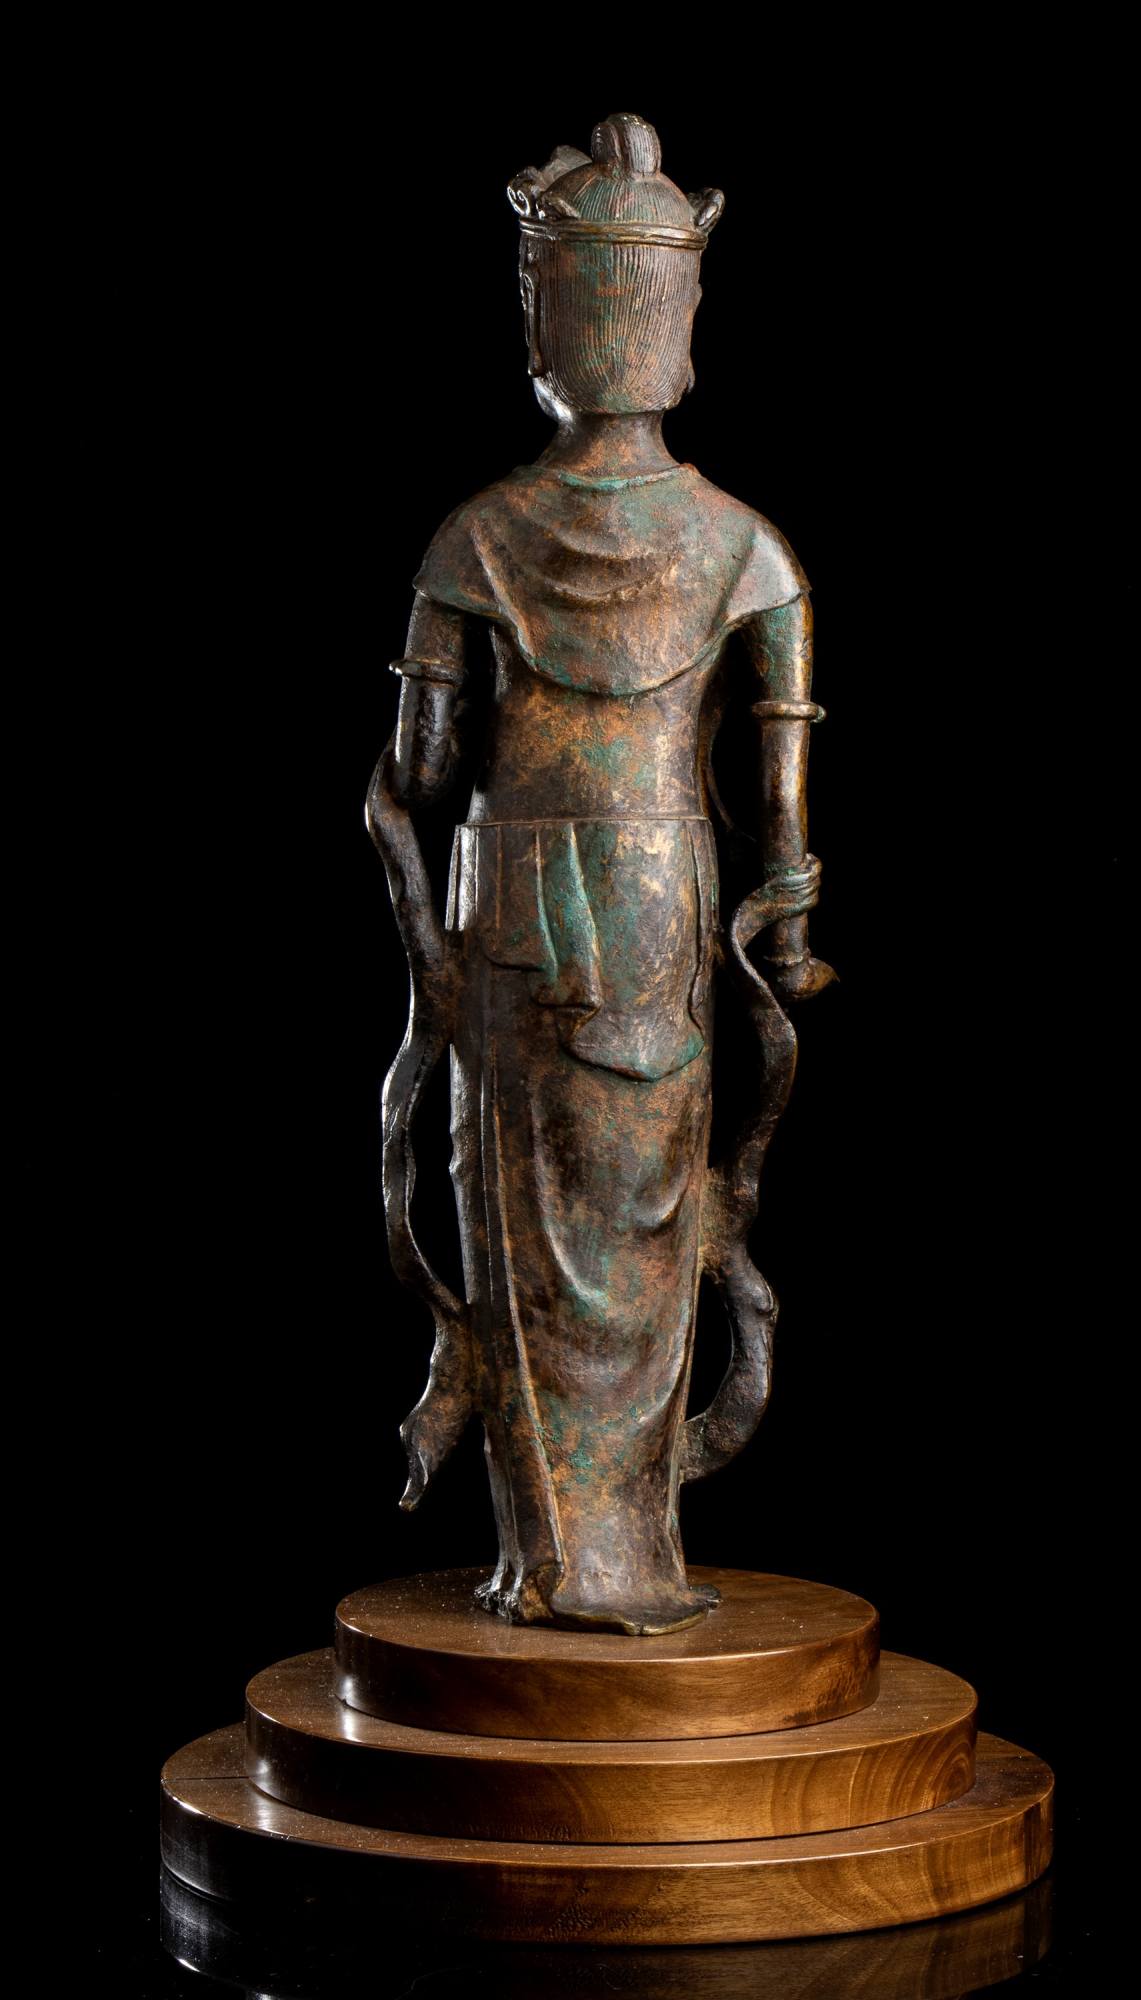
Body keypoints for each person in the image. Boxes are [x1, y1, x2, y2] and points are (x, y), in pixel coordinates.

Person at [366, 113, 831, 1635]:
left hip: (517, 909)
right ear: (676, 323)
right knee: (630, 1222)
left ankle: (565, 1559)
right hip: (651, 915)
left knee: (546, 1222)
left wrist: (404, 868)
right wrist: (783, 936)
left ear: (543, 321)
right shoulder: (746, 552)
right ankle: (606, 1555)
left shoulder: (477, 538)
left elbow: (415, 779)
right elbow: (785, 837)